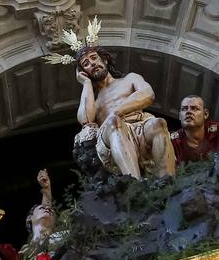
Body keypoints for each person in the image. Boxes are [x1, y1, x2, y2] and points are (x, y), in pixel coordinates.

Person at [74, 46, 176, 179]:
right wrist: (86, 83)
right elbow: (86, 120)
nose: (92, 63)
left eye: (94, 58)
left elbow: (148, 94)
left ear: (104, 60)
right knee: (113, 122)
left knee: (159, 123)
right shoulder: (94, 99)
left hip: (140, 125)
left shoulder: (130, 79)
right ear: (84, 72)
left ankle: (167, 181)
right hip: (113, 133)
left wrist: (116, 111)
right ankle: (133, 184)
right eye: (86, 64)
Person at [170, 93, 219, 164]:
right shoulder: (173, 142)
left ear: (205, 114)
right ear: (180, 116)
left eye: (195, 108)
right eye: (184, 109)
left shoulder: (215, 131)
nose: (188, 112)